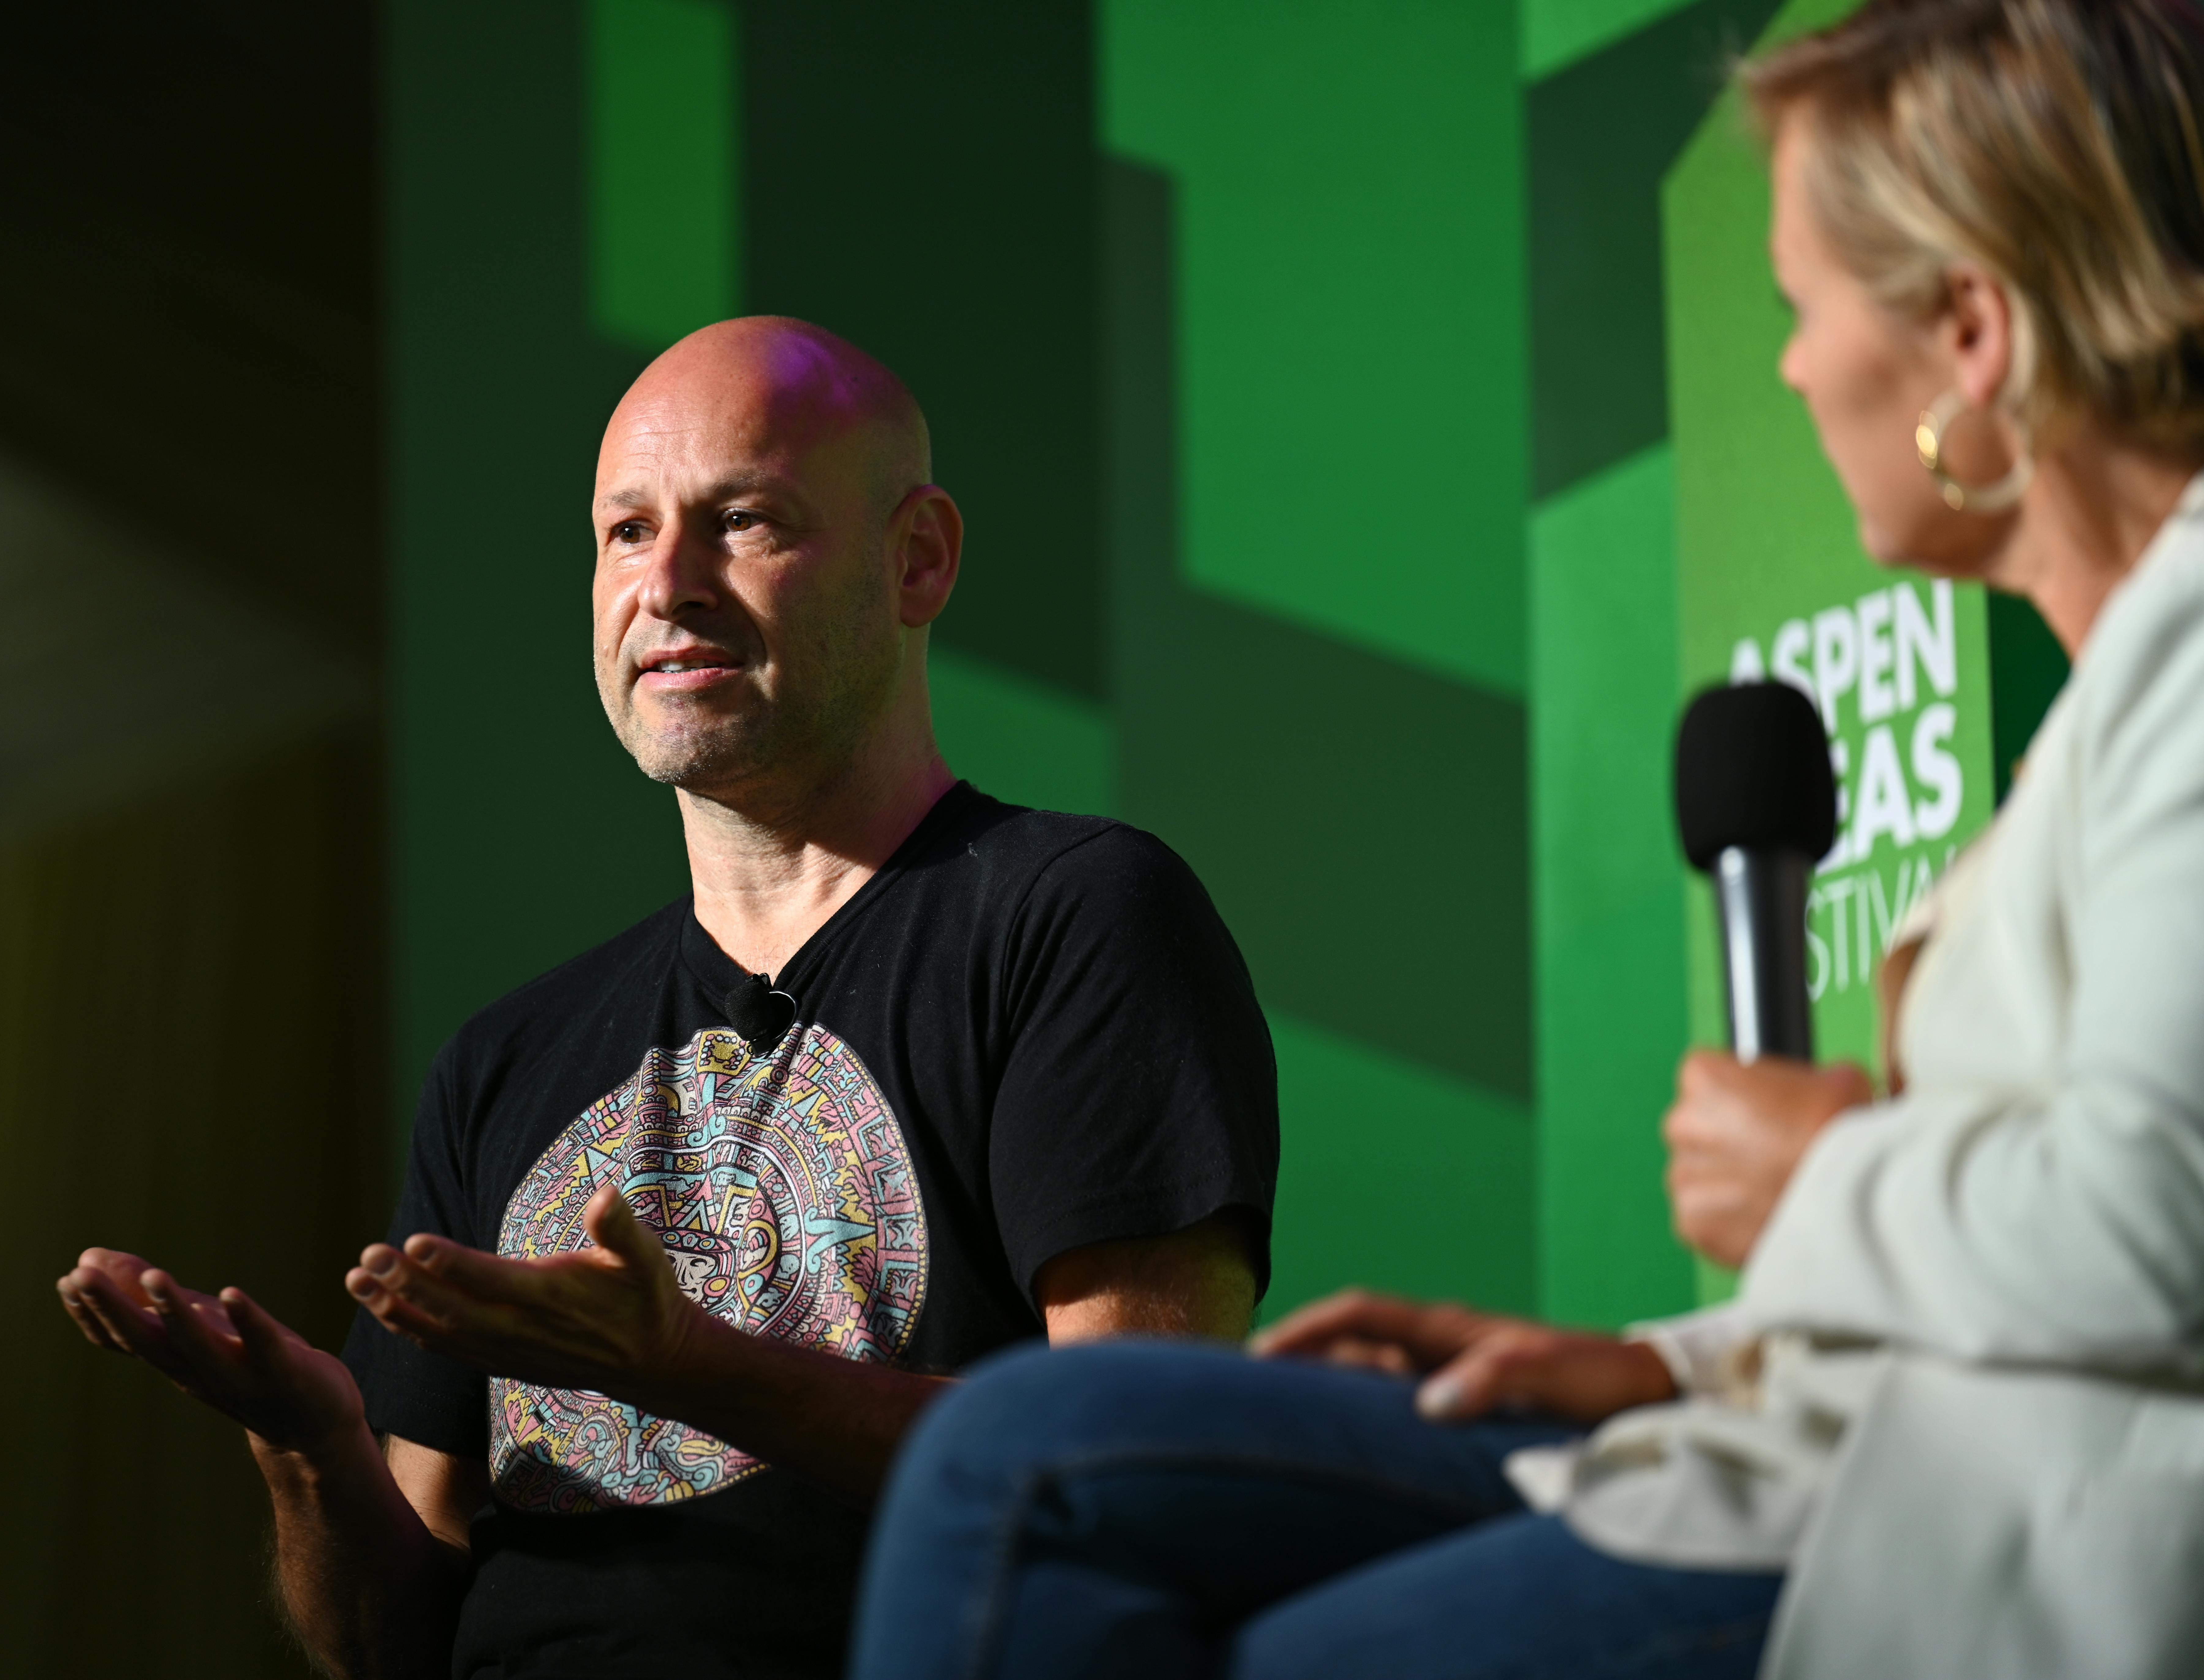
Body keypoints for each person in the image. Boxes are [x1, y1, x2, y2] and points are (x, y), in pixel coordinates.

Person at [846, 2, 2204, 1677]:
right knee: (1028, 1447)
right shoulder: (2124, 695)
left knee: (1120, 1541)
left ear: (1972, 335)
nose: (1785, 364)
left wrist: (1816, 1172)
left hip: (1979, 1539)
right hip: (1817, 1452)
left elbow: (2155, 1225)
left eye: (1801, 305)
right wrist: (1650, 1363)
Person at [54, 317, 1277, 1679]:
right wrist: (311, 1445)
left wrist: (682, 1361)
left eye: (743, 521)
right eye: (626, 532)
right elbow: (385, 1651)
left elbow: (1135, 1478)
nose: (668, 584)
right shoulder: (502, 1060)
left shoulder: (1070, 915)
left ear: (916, 557)